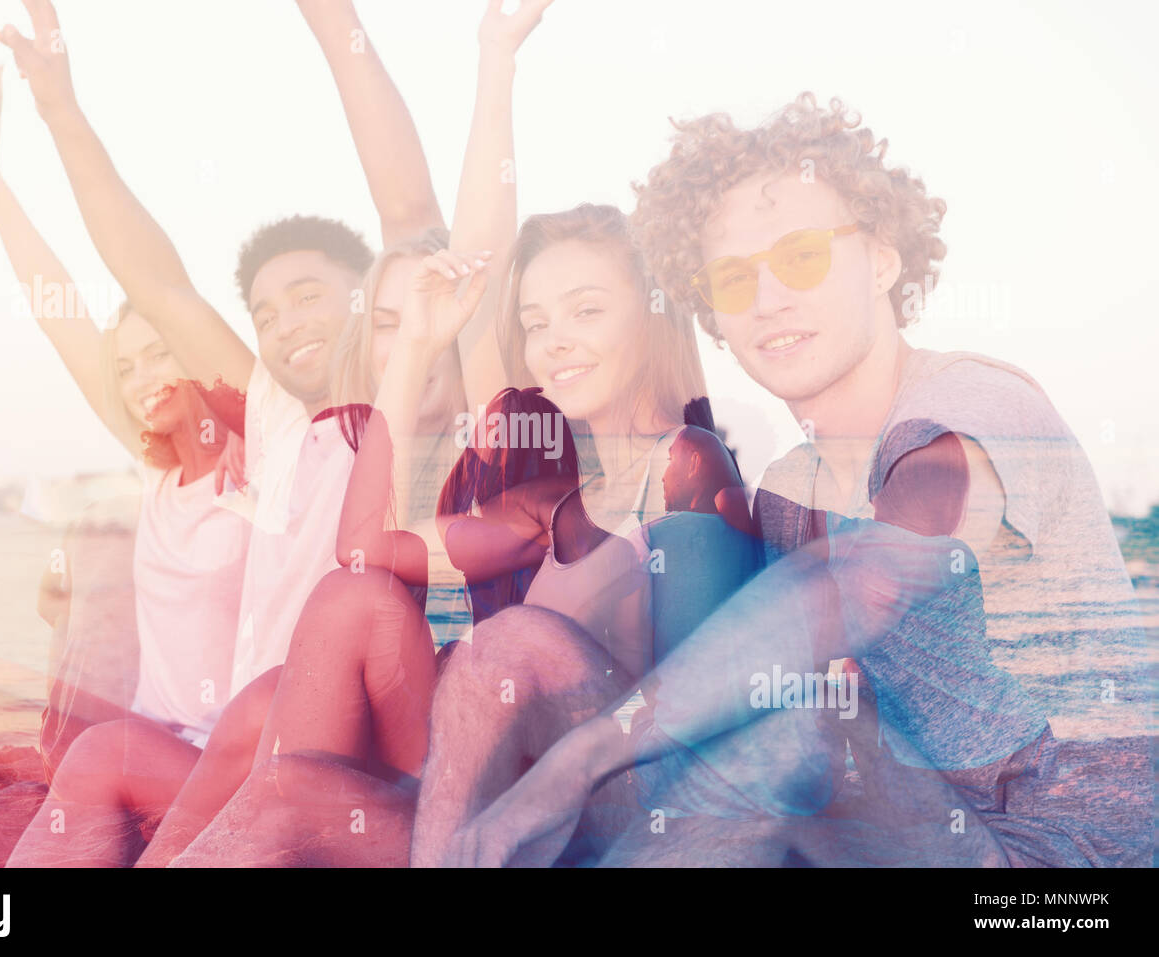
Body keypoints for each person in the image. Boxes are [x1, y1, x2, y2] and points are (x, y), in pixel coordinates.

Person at [438, 93, 1151, 867]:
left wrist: (578, 760)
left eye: (803, 256)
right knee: (509, 651)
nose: (769, 296)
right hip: (870, 837)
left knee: (805, 734)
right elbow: (735, 690)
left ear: (881, 258)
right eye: (734, 278)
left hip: (1059, 874)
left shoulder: (970, 408)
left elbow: (859, 585)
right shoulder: (789, 488)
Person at [0, 0, 444, 866]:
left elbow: (412, 212)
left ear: (375, 295)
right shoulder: (280, 426)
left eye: (311, 293)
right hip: (239, 745)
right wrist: (59, 109)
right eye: (266, 312)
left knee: (265, 706)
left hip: (343, 764)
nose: (286, 323)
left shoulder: (413, 400)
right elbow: (154, 280)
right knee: (105, 753)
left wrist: (334, 27)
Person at [0, 68, 250, 868]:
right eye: (128, 364)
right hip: (124, 736)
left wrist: (59, 111)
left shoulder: (266, 466)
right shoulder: (157, 471)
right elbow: (55, 306)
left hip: (199, 771)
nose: (144, 376)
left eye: (160, 352)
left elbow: (160, 283)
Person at [408, 1, 757, 866]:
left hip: (647, 818)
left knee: (515, 640)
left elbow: (699, 724)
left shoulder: (689, 464)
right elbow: (371, 555)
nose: (553, 338)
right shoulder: (562, 505)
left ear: (651, 315)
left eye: (587, 310)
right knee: (294, 789)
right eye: (535, 322)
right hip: (521, 809)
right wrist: (494, 63)